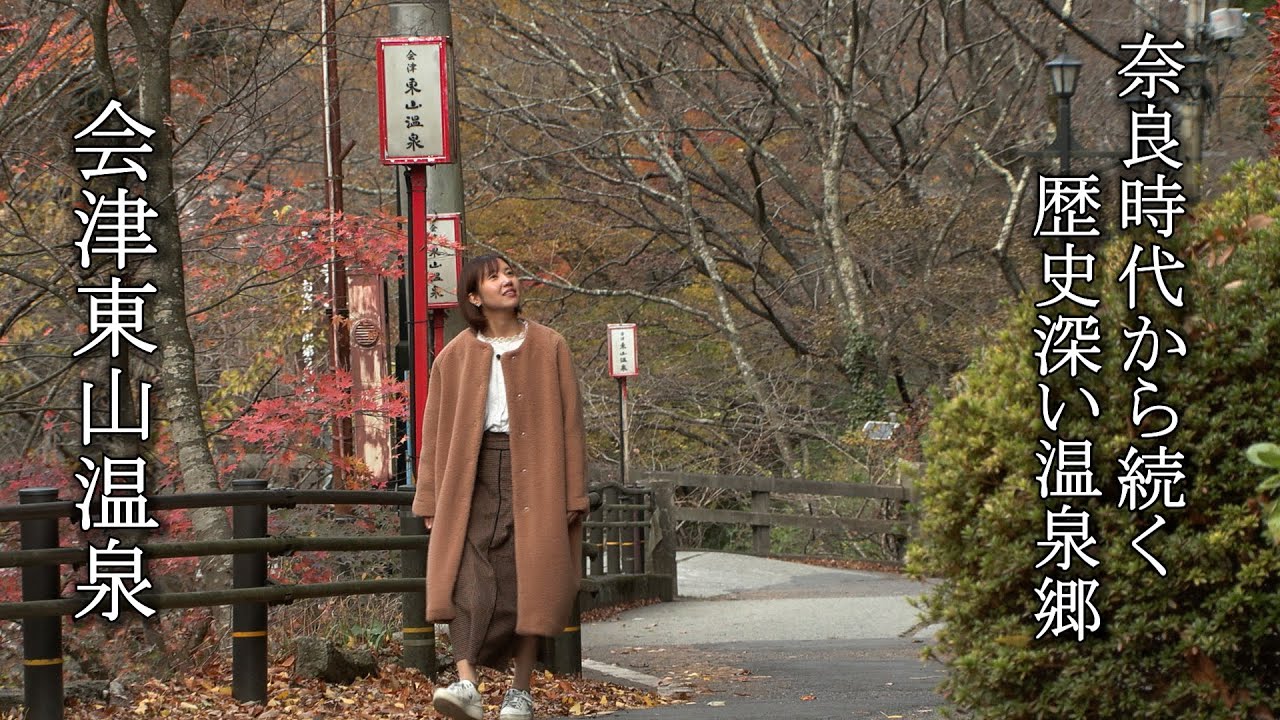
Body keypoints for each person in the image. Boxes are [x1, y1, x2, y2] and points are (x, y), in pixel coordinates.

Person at [412, 253, 589, 720]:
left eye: (509, 273)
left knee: (525, 579)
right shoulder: (453, 356)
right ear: (474, 296)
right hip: (468, 476)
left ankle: (520, 690)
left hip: (537, 473)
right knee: (463, 577)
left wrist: (574, 493)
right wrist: (428, 496)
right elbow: (435, 430)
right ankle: (466, 682)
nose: (508, 281)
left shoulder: (551, 345)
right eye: (494, 277)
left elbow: (572, 424)